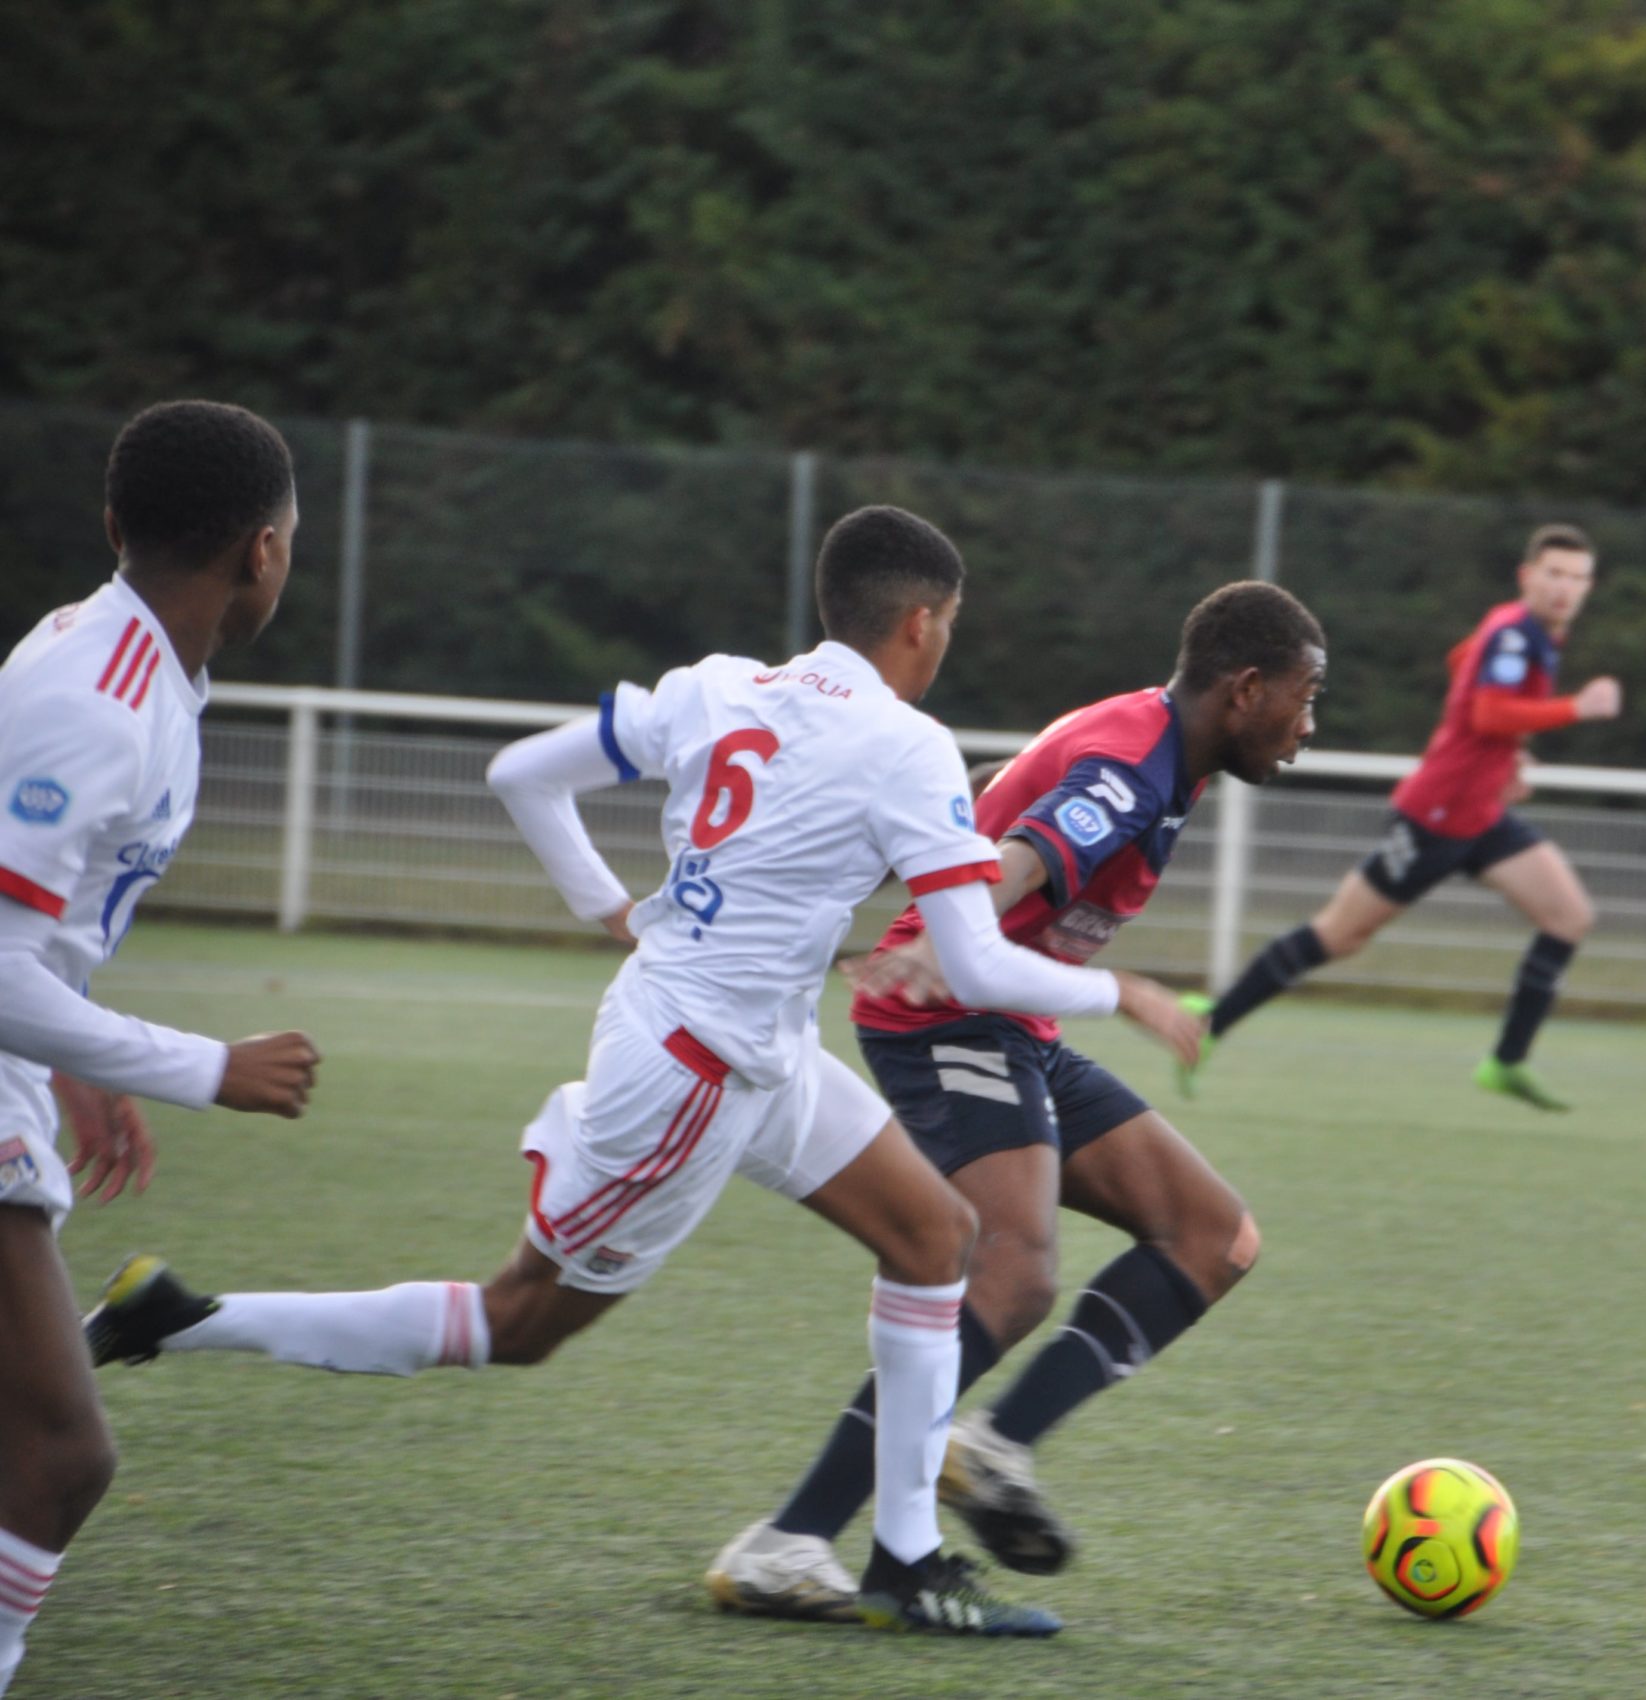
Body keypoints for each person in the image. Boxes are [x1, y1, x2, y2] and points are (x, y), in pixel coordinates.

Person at [81, 506, 1204, 1638]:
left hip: (757, 1050)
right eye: (950, 624)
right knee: (519, 1320)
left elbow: (524, 774)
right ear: (922, 621)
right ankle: (181, 1318)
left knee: (936, 1238)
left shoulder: (717, 685)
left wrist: (610, 906)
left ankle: (905, 1561)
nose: (946, 642)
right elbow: (968, 956)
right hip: (691, 1077)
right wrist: (1129, 993)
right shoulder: (908, 746)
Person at [708, 581, 1324, 1612]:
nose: (1308, 729)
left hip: (1014, 1021)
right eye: (1303, 700)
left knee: (1213, 1235)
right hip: (945, 1010)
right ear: (1245, 688)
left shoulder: (1157, 742)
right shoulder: (1135, 765)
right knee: (1012, 1273)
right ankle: (790, 1537)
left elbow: (1015, 791)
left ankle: (986, 1444)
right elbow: (1028, 854)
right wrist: (952, 935)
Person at [0, 401, 323, 1695]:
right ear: (263, 553)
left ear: (115, 524)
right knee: (63, 1450)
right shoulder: (98, 697)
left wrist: (74, 1062)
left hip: (21, 1061)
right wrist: (203, 1066)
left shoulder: (128, 663)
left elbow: (38, 921)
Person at [1189, 524, 1620, 1110]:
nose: (1565, 588)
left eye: (1577, 578)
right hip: (1436, 815)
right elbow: (1490, 711)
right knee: (1341, 934)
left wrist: (1505, 756)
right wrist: (1576, 707)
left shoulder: (1523, 634)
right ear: (1528, 577)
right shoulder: (1516, 635)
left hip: (1481, 813)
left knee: (1569, 916)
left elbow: (1461, 664)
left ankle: (1506, 1062)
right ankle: (1212, 1021)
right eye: (1554, 574)